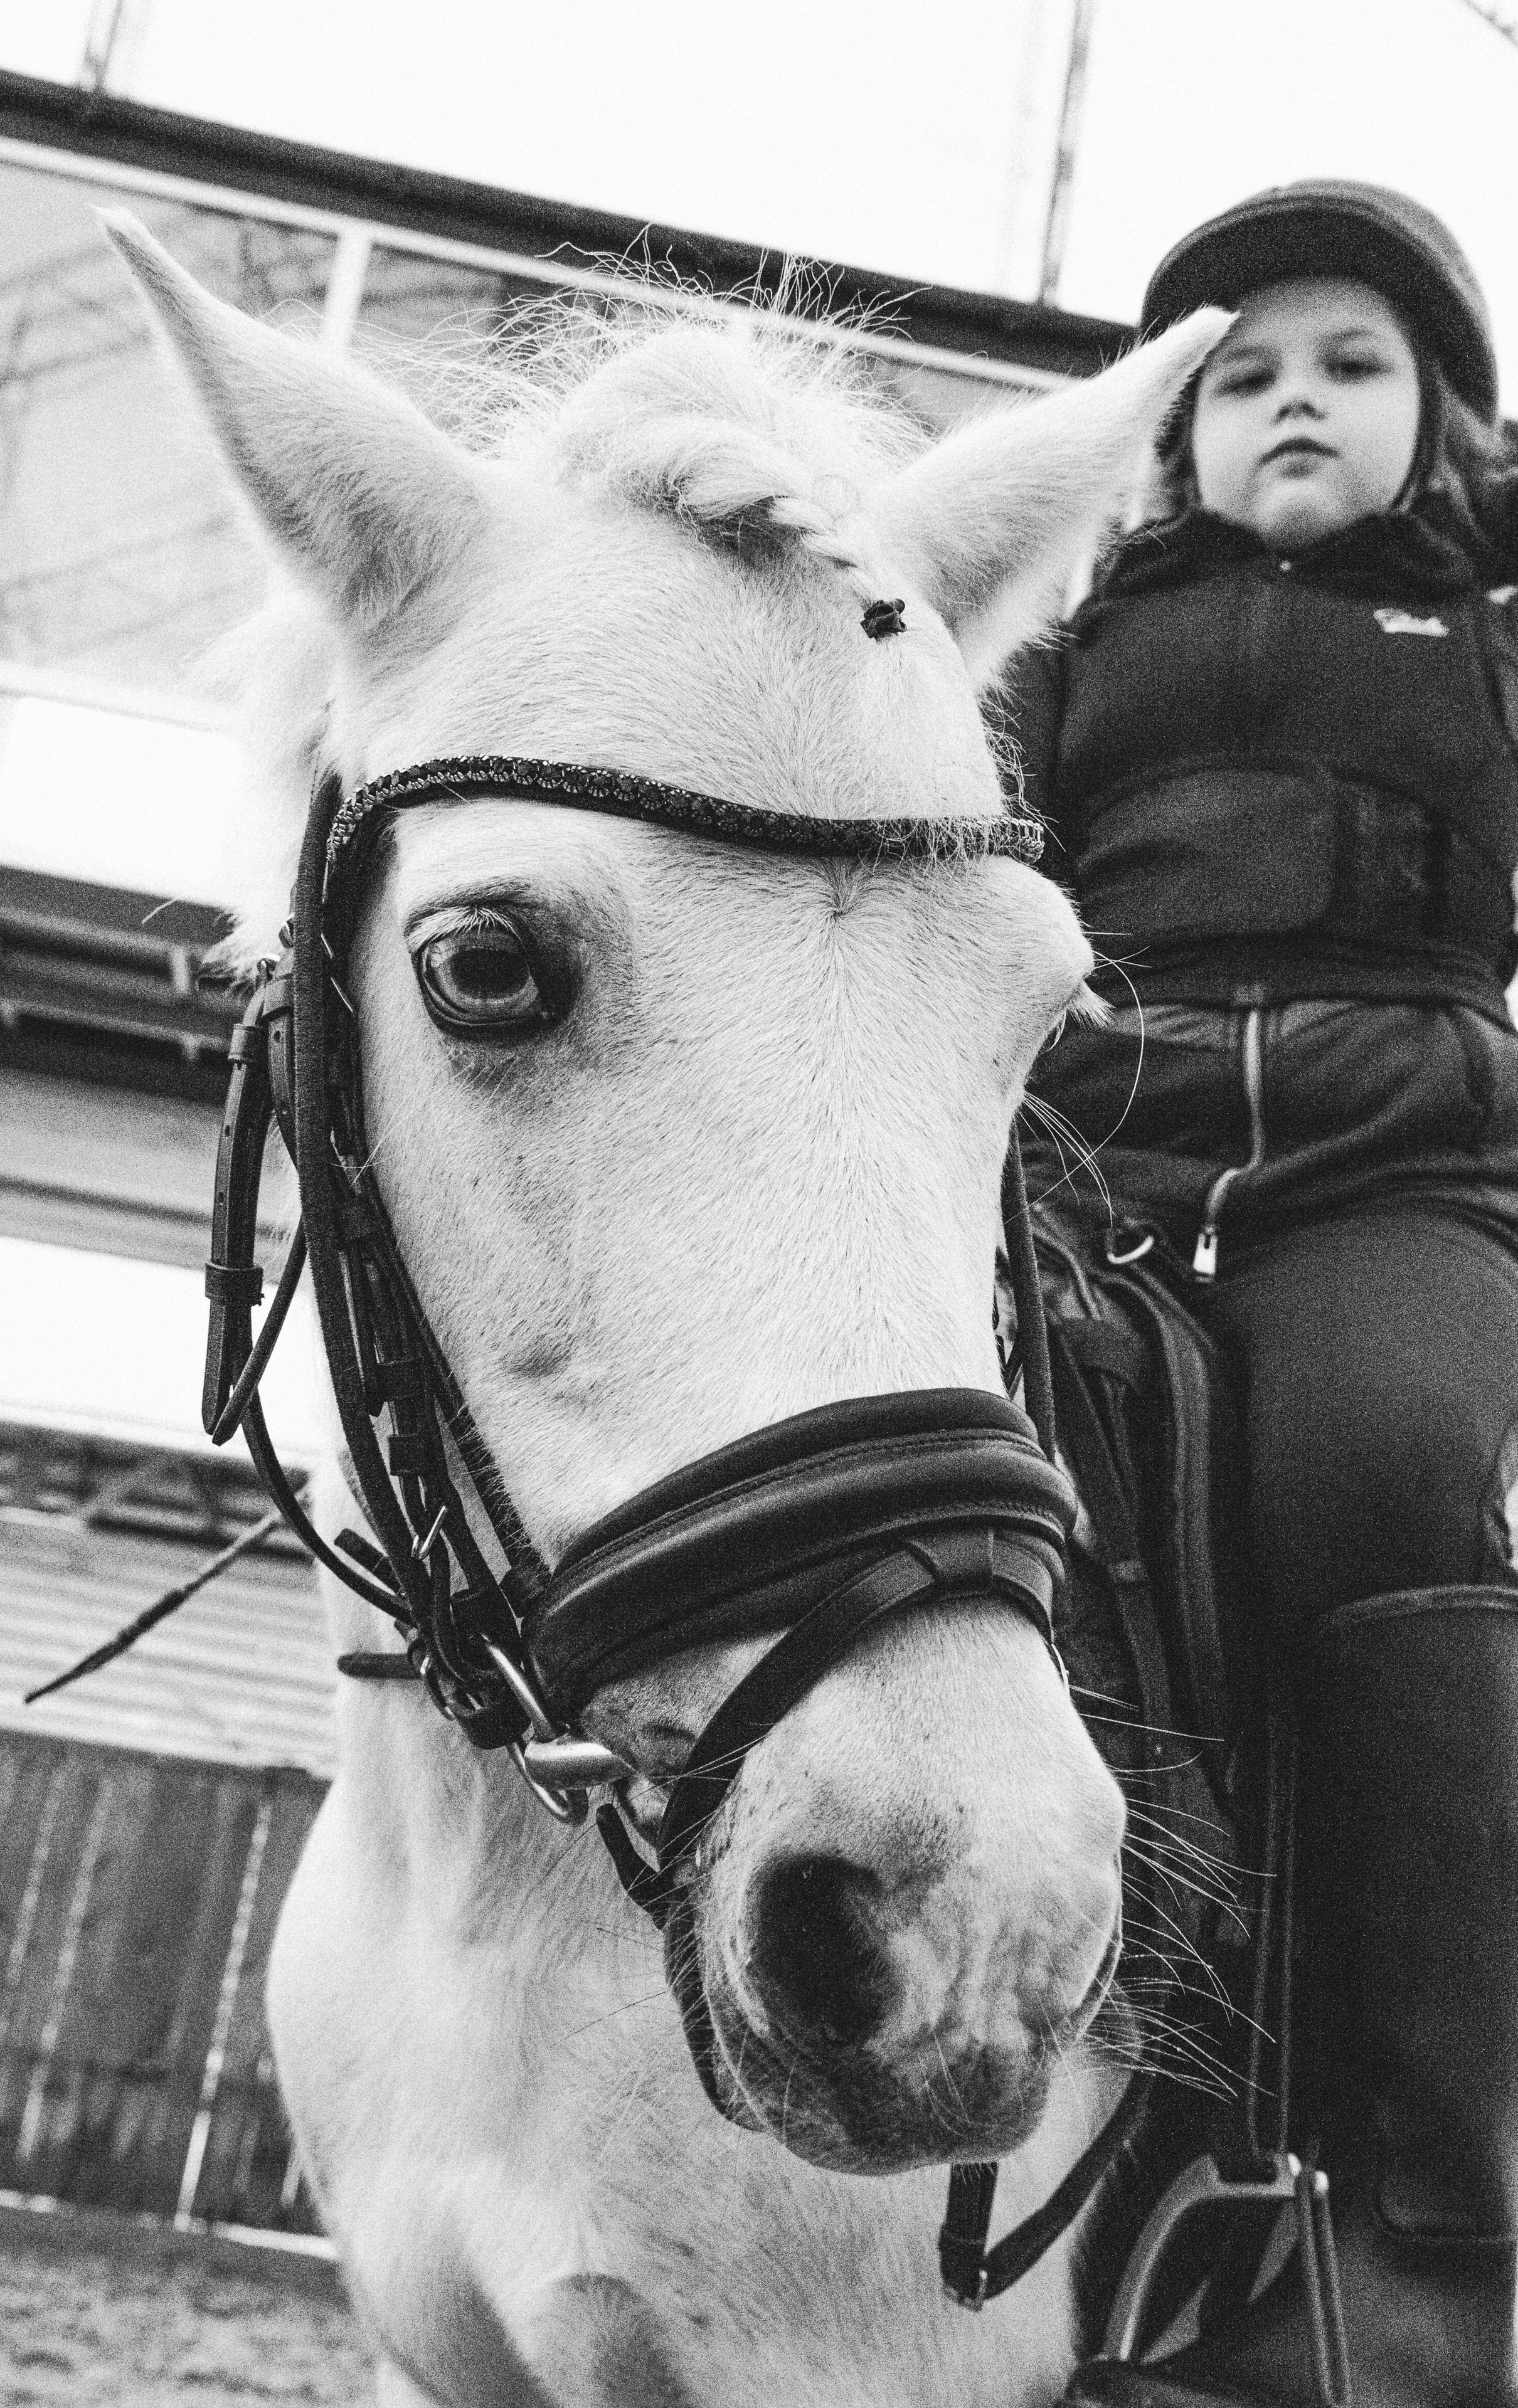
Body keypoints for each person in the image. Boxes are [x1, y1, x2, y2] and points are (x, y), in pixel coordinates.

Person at [1007, 183, 1518, 2405]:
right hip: (1088, 1168)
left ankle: (1443, 2243)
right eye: (1243, 375)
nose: (1293, 400)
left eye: (1352, 364)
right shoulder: (1072, 643)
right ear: (1172, 429)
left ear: (1446, 420)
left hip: (1391, 1173)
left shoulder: (1487, 634)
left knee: (1386, 1476)